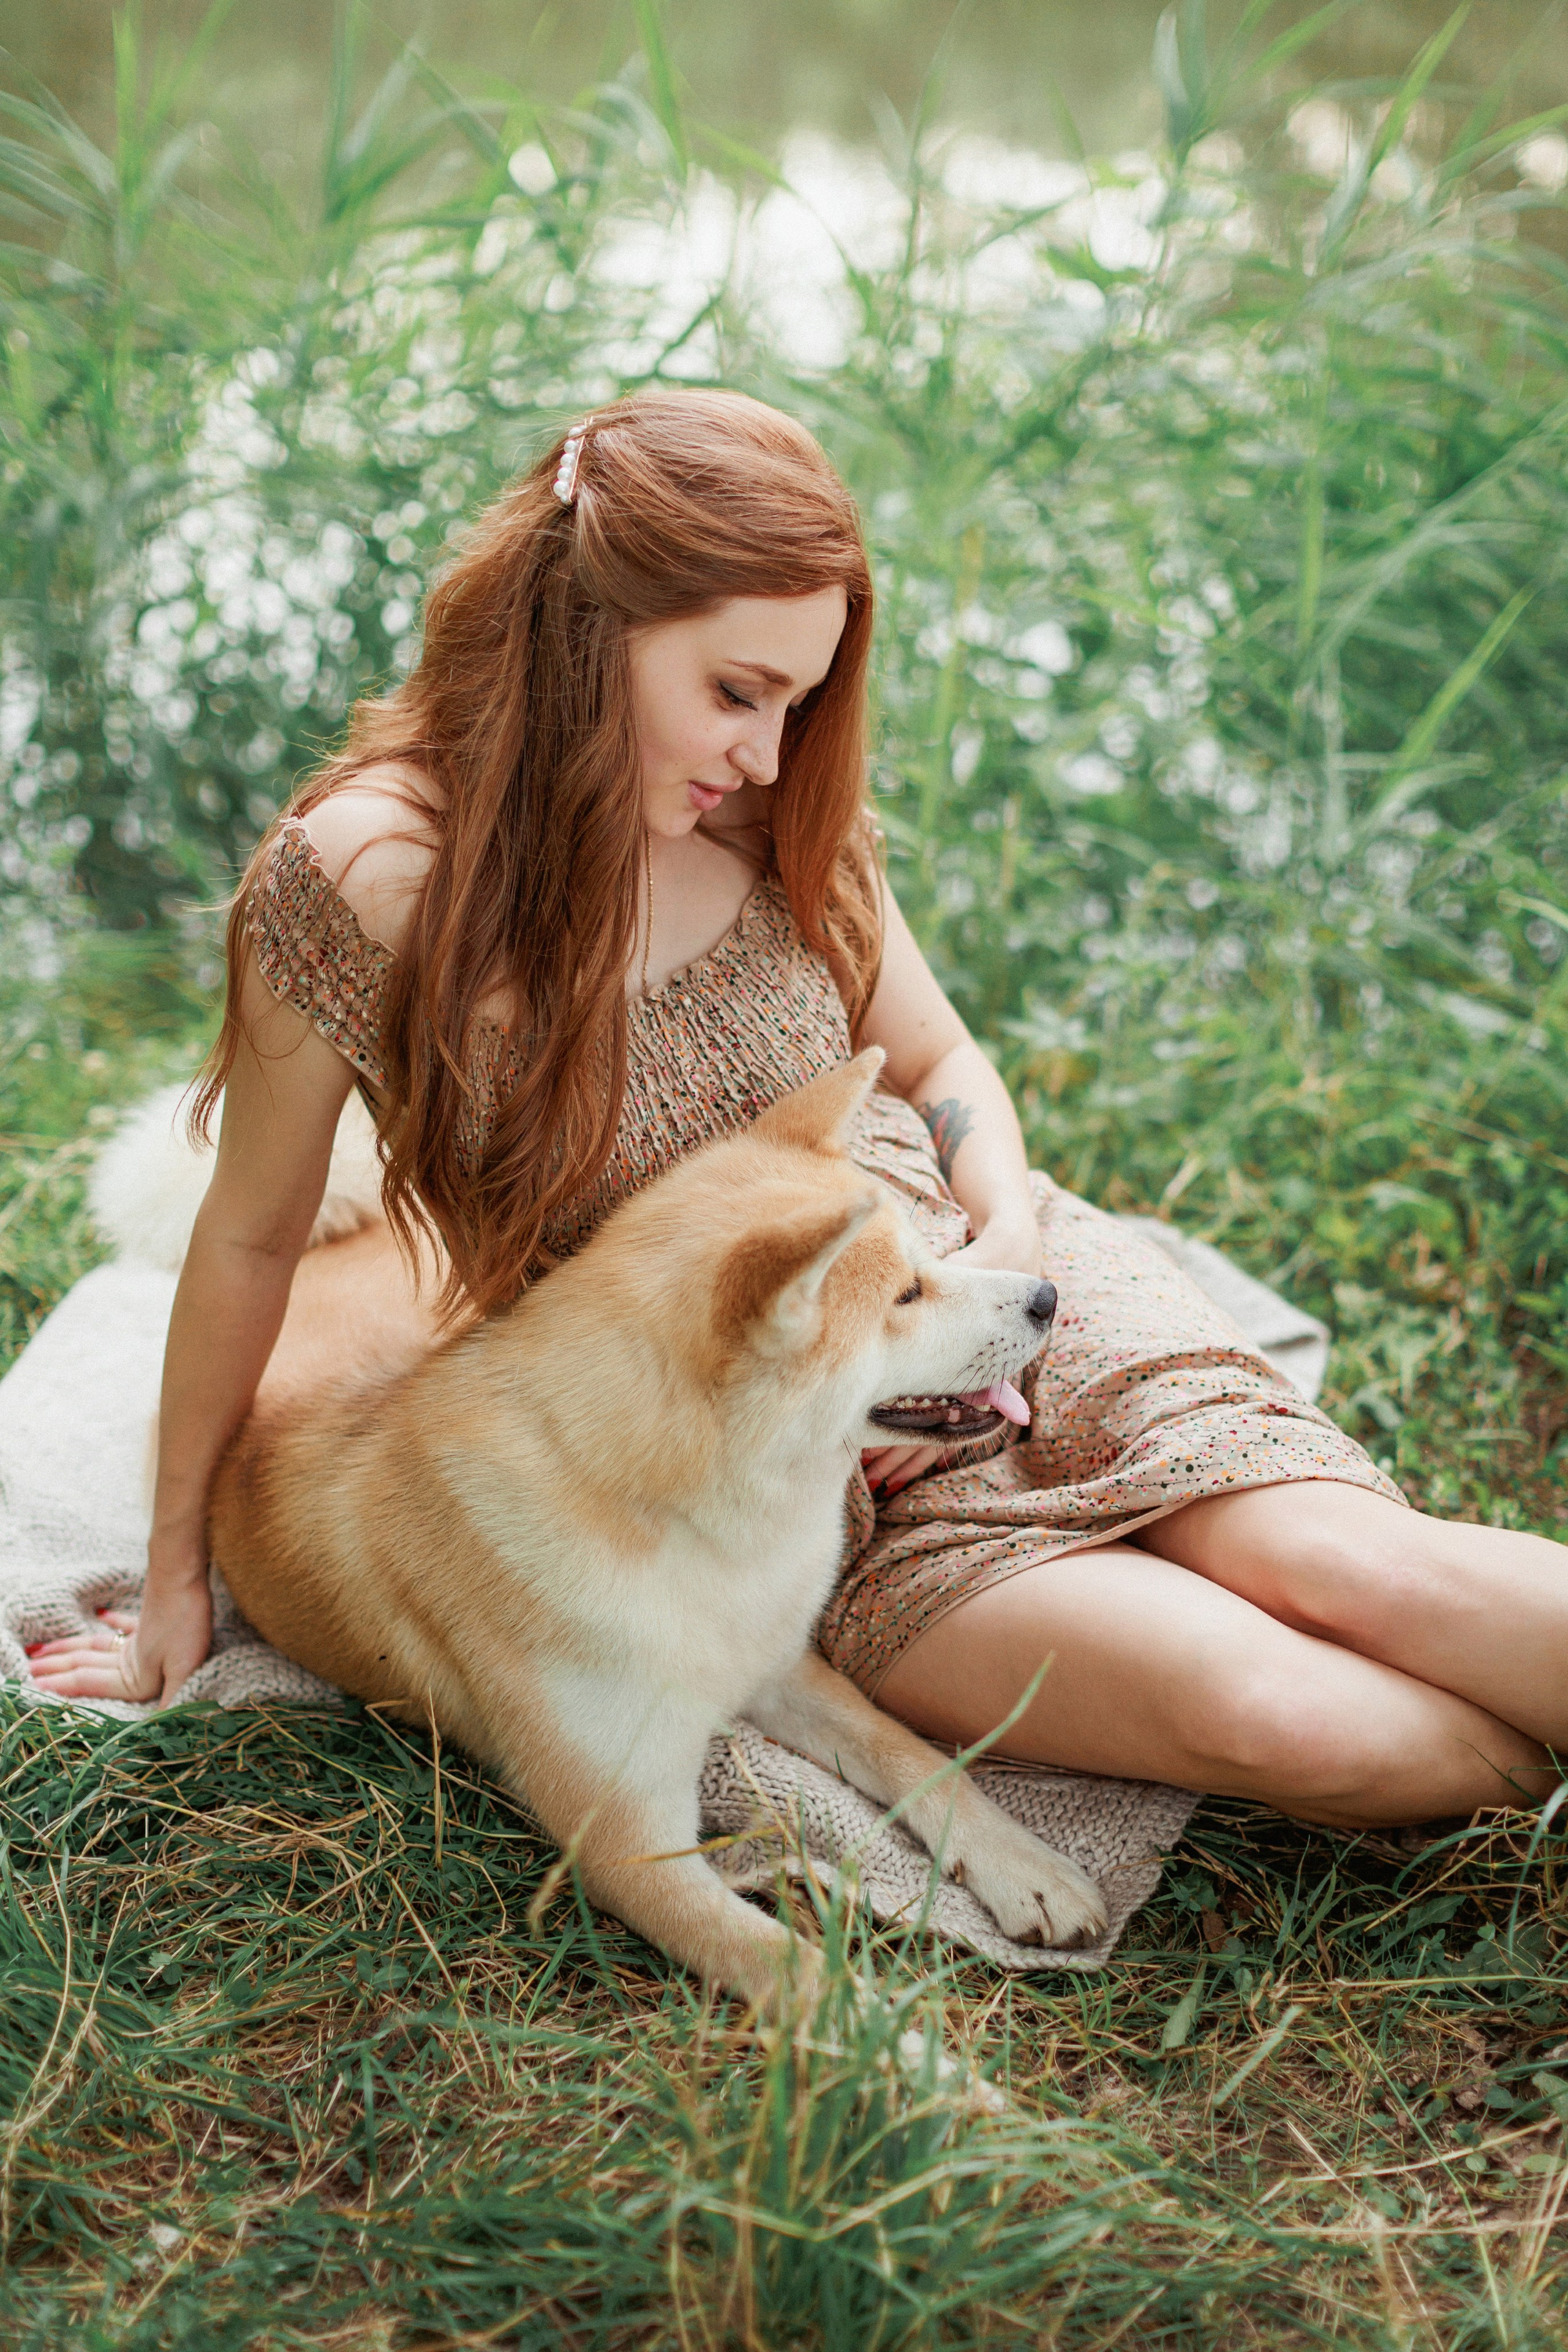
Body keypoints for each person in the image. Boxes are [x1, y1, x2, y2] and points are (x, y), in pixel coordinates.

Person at [29, 389, 1567, 1829]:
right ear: (583, 630)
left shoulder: (775, 813)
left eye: (794, 700)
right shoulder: (361, 881)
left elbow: (945, 1065)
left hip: (988, 1275)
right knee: (1270, 1716)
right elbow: (244, 1245)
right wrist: (180, 1578)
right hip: (770, 1452)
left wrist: (1008, 1244)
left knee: (1355, 1570)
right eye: (735, 692)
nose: (765, 750)